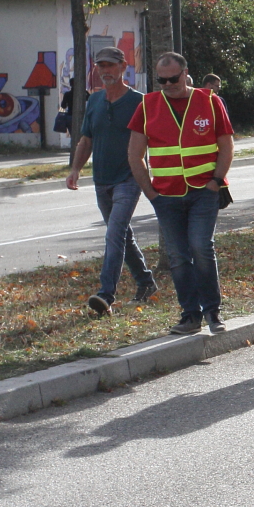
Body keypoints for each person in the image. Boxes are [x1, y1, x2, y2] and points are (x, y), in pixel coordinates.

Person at [127, 52, 233, 335]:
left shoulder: (209, 101)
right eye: (161, 80)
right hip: (166, 196)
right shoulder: (147, 105)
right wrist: (151, 193)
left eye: (173, 79)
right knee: (177, 255)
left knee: (201, 247)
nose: (167, 85)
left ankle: (213, 312)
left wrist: (216, 181)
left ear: (185, 74)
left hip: (203, 191)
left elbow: (226, 145)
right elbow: (135, 155)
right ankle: (190, 315)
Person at [68, 46, 157, 315]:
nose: (105, 70)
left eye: (110, 65)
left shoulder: (140, 102)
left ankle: (106, 295)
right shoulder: (94, 101)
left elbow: (155, 139)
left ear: (123, 67)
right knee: (122, 235)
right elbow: (86, 140)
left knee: (114, 233)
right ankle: (146, 282)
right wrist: (75, 169)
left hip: (129, 178)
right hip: (101, 179)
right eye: (101, 66)